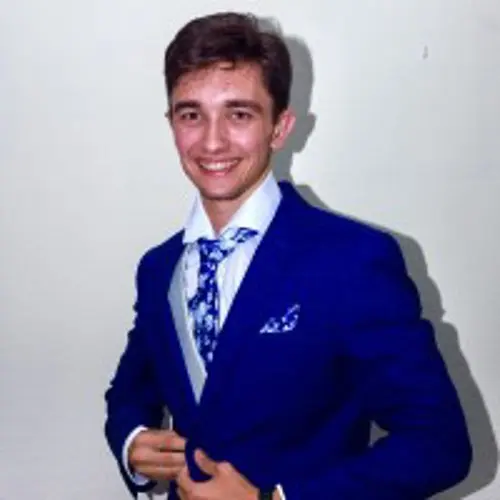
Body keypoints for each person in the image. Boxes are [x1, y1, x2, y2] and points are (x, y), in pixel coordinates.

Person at [104, 11, 472, 500]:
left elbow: (439, 444)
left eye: (239, 114)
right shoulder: (158, 268)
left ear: (279, 128)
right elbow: (131, 390)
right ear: (172, 124)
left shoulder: (354, 261)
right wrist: (132, 441)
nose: (212, 140)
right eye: (192, 115)